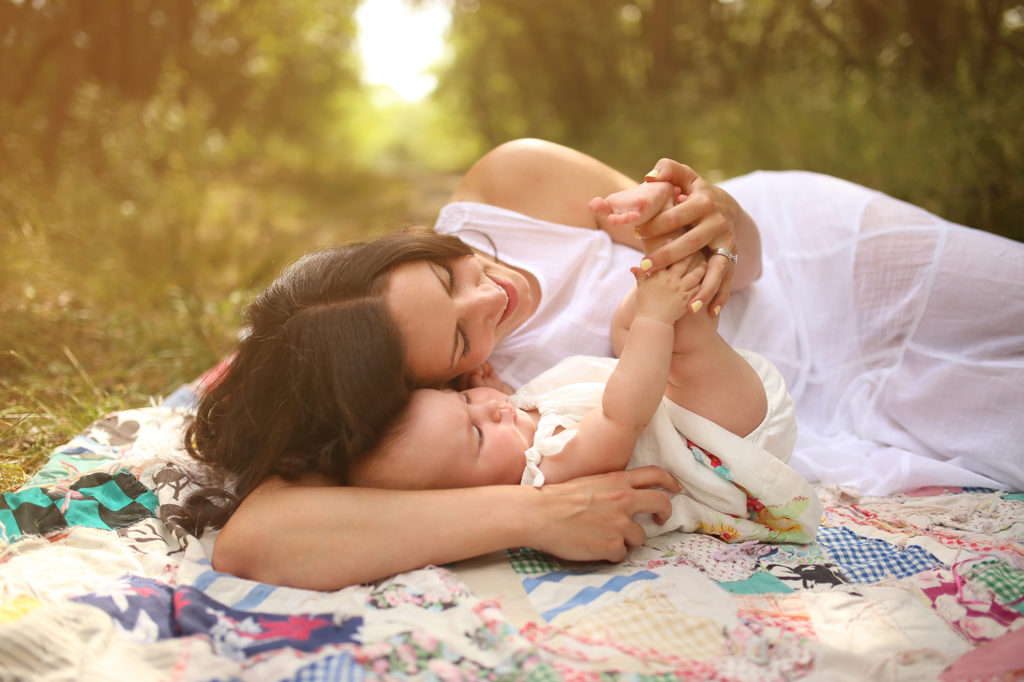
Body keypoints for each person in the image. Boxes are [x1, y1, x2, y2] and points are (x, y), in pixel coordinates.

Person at [192, 138, 1024, 591]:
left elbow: (749, 255)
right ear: (434, 385)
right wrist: (532, 518)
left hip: (826, 269)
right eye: (457, 337)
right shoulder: (471, 421)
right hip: (808, 419)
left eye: (451, 273)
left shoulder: (509, 190)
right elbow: (258, 537)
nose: (497, 298)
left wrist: (712, 218)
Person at [350, 202, 821, 544]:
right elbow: (621, 417)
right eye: (475, 436)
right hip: (723, 436)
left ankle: (668, 259)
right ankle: (675, 277)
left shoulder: (515, 423)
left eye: (465, 402)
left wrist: (494, 389)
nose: (491, 411)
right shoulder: (548, 474)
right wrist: (655, 320)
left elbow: (510, 407)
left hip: (680, 402)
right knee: (680, 341)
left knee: (624, 326)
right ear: (475, 491)